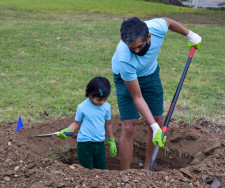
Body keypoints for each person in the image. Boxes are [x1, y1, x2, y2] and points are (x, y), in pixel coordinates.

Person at [112, 17, 201, 170]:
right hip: (125, 78)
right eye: (132, 48)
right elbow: (137, 96)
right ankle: (125, 174)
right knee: (129, 126)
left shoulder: (156, 28)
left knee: (157, 119)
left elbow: (170, 22)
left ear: (149, 37)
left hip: (150, 74)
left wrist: (189, 34)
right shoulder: (124, 58)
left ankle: (148, 170)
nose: (137, 51)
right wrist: (153, 127)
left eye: (140, 46)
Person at [57, 76, 117, 170]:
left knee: (101, 170)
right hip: (85, 145)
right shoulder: (82, 107)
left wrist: (111, 141)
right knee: (86, 171)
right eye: (99, 99)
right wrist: (68, 130)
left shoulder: (106, 107)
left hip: (100, 144)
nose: (102, 102)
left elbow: (108, 124)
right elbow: (77, 123)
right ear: (90, 94)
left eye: (105, 99)